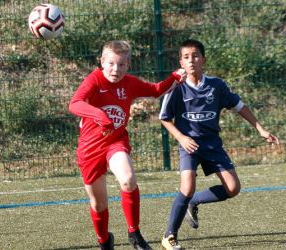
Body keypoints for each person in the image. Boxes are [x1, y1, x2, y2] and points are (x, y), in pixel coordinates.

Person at [159, 39, 280, 249]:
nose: (191, 60)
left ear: (203, 60)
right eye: (186, 57)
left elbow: (239, 106)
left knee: (233, 188)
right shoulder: (175, 88)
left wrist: (260, 128)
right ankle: (169, 236)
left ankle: (194, 201)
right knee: (186, 186)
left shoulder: (217, 85)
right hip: (190, 145)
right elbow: (164, 118)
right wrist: (181, 138)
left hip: (212, 145)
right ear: (180, 62)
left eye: (195, 56)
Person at [68, 40, 186, 250]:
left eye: (121, 64)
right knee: (99, 204)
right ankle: (104, 241)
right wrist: (100, 115)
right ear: (102, 62)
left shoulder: (129, 83)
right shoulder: (94, 80)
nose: (116, 69)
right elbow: (75, 103)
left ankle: (134, 233)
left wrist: (174, 78)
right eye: (111, 63)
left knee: (128, 179)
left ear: (128, 65)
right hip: (90, 147)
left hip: (115, 141)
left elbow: (156, 90)